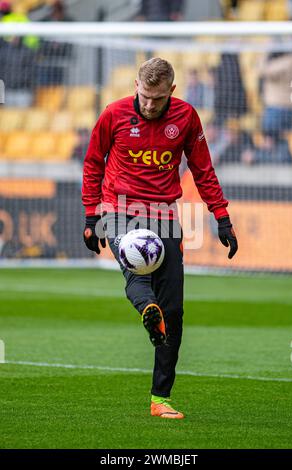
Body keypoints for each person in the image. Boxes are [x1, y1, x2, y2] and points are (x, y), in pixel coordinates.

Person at [82, 58, 238, 420]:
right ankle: (147, 309)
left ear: (172, 91)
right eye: (145, 96)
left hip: (165, 215)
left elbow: (202, 168)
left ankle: (160, 398)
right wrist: (92, 215)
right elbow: (93, 162)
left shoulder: (186, 117)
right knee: (136, 264)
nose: (150, 105)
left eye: (157, 98)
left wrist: (222, 216)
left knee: (175, 310)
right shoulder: (114, 114)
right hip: (118, 209)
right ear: (136, 84)